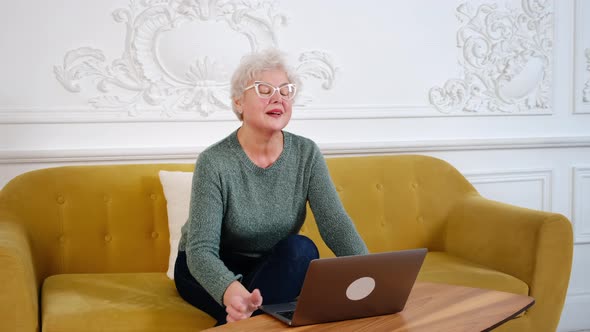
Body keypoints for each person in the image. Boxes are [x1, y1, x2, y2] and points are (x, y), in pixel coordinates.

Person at [174, 48, 368, 326]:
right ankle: (251, 316)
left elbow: (334, 223)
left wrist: (370, 277)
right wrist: (231, 291)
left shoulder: (306, 153)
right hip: (210, 267)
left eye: (286, 91)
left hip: (270, 266)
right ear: (238, 102)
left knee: (302, 249)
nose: (278, 97)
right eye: (264, 89)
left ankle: (248, 319)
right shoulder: (214, 161)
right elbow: (201, 250)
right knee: (267, 314)